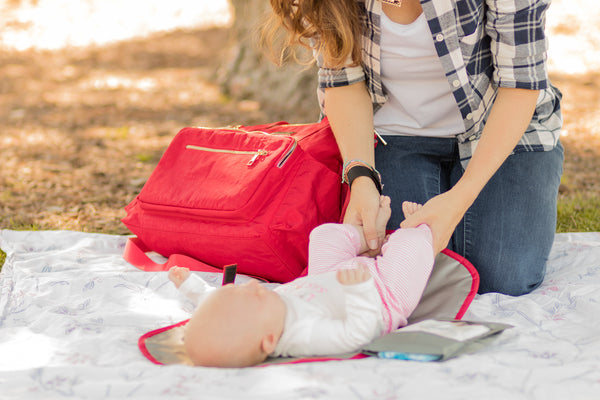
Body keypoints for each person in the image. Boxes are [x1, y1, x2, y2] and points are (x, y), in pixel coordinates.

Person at [263, 0, 564, 295]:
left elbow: (520, 82)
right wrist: (361, 177)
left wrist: (460, 198)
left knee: (503, 278)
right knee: (405, 274)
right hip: (391, 135)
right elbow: (342, 80)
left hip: (501, 126)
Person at [168, 197, 434, 367]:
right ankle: (411, 229)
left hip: (325, 275)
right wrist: (359, 292)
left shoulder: (248, 316)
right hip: (381, 293)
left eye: (245, 289)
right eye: (257, 296)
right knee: (412, 247)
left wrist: (191, 287)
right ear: (271, 341)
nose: (253, 286)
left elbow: (218, 304)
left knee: (323, 235)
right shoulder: (305, 336)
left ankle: (368, 240)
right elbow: (355, 333)